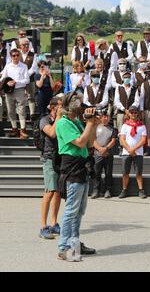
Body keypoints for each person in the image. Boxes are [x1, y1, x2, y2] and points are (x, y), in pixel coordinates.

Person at [56, 91, 97, 261]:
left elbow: (89, 142)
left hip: (82, 169)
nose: (82, 105)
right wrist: (88, 123)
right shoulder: (63, 123)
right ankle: (64, 247)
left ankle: (75, 243)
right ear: (72, 105)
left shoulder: (77, 122)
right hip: (72, 170)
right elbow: (79, 142)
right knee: (71, 211)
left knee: (79, 211)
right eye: (79, 102)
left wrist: (92, 124)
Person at [39, 98, 63, 239]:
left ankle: (54, 223)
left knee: (58, 192)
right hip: (49, 158)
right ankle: (43, 226)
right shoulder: (44, 120)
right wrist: (59, 117)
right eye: (59, 106)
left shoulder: (63, 119)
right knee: (49, 191)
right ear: (52, 107)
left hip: (61, 158)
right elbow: (52, 133)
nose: (62, 108)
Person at [118, 106, 147, 199]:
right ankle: (124, 190)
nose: (133, 114)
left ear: (137, 114)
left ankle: (141, 190)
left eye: (135, 112)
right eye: (131, 112)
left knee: (138, 173)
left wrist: (133, 149)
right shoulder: (125, 125)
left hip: (138, 153)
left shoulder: (142, 126)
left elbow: (143, 140)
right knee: (125, 173)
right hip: (126, 152)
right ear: (129, 114)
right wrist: (129, 150)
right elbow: (122, 139)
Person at [0, 48, 30, 139]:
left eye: (17, 55)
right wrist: (5, 83)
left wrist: (16, 82)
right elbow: (3, 78)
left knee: (21, 110)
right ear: (11, 56)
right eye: (14, 55)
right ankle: (14, 129)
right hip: (9, 91)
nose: (16, 57)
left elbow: (27, 80)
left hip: (20, 90)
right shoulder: (8, 66)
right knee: (10, 111)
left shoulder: (24, 66)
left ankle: (23, 130)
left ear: (19, 56)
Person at [92, 111, 116, 199]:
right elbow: (93, 140)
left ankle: (108, 190)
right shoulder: (95, 128)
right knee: (97, 173)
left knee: (108, 173)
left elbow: (113, 141)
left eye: (107, 117)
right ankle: (96, 190)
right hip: (97, 154)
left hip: (108, 153)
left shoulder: (112, 129)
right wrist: (100, 149)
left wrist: (106, 148)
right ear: (100, 118)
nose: (105, 118)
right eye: (103, 116)